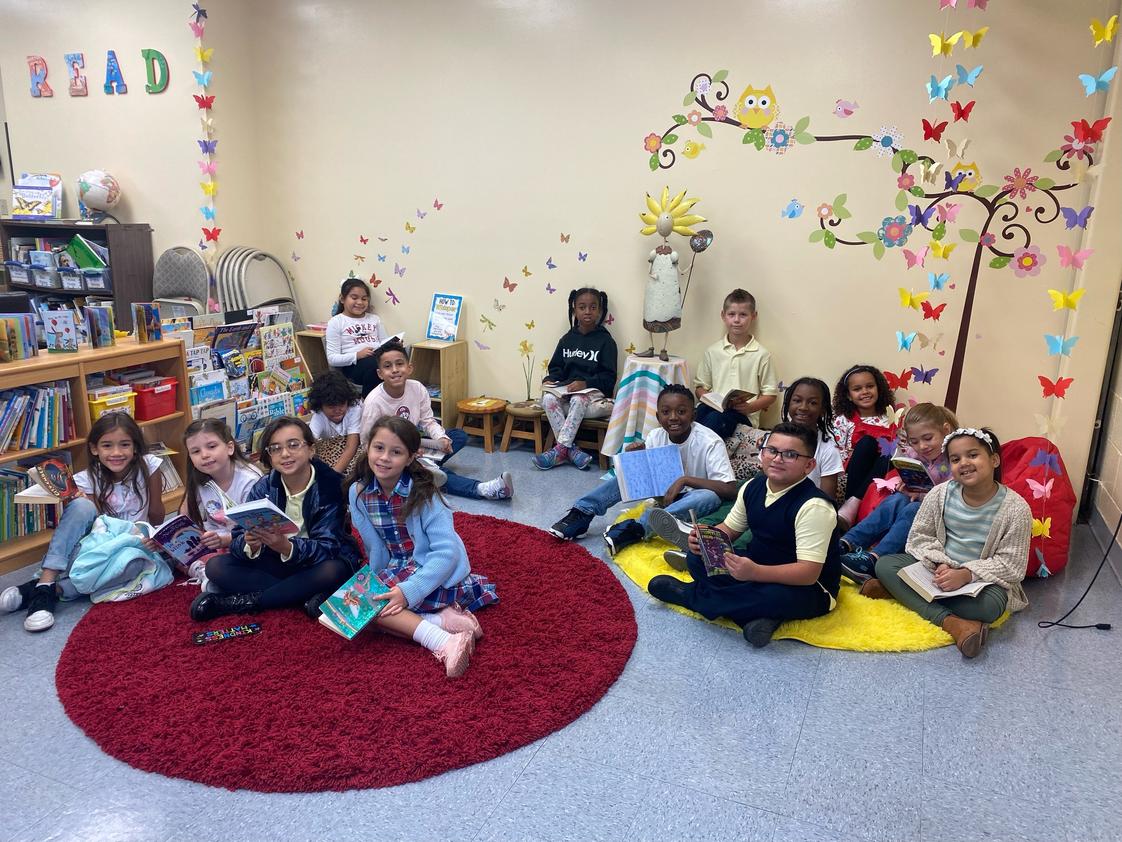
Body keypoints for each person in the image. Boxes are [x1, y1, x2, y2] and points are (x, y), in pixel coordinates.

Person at [647, 423, 842, 649]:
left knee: (773, 597)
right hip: (755, 564)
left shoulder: (814, 506)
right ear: (763, 453)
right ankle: (760, 619)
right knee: (696, 559)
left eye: (790, 455)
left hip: (808, 588)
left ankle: (690, 596)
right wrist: (704, 539)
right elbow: (728, 530)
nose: (778, 459)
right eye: (772, 450)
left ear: (808, 465)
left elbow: (808, 573)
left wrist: (755, 572)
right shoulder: (753, 487)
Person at [860, 428, 1031, 659]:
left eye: (972, 455)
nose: (964, 463)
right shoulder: (940, 494)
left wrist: (966, 574)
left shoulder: (1016, 508)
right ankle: (952, 622)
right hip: (937, 571)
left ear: (994, 459)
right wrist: (941, 564)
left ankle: (900, 592)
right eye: (955, 459)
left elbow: (1012, 564)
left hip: (978, 583)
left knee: (991, 607)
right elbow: (920, 537)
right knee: (885, 565)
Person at [348, 415, 497, 678]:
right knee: (351, 612)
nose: (384, 458)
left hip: (433, 570)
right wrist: (375, 581)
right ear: (367, 447)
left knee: (367, 609)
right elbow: (375, 548)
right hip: (397, 567)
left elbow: (446, 554)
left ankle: (444, 641)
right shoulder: (358, 492)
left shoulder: (424, 493)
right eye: (378, 448)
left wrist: (407, 593)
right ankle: (444, 620)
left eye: (396, 452)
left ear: (410, 457)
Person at [1, 413, 164, 632]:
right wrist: (79, 501)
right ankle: (48, 577)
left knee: (132, 566)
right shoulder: (87, 479)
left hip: (134, 544)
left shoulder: (150, 465)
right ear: (95, 449)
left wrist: (149, 534)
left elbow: (157, 517)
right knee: (81, 508)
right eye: (107, 445)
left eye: (124, 445)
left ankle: (46, 590)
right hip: (99, 543)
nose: (116, 453)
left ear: (135, 447)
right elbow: (99, 531)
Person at [188, 416, 361, 621]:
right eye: (275, 448)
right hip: (279, 562)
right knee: (216, 566)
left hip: (320, 561)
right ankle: (303, 594)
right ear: (269, 456)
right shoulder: (263, 486)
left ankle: (246, 602)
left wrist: (286, 547)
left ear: (311, 450)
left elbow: (328, 547)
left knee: (334, 571)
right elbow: (237, 538)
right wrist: (250, 544)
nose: (285, 454)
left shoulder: (330, 486)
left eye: (294, 445)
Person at [549, 385, 737, 556]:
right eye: (665, 412)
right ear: (657, 417)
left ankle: (637, 528)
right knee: (625, 474)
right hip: (664, 497)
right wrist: (638, 459)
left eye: (681, 411)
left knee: (709, 496)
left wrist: (685, 480)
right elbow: (652, 477)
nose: (673, 417)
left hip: (694, 499)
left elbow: (729, 489)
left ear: (693, 415)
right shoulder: (656, 436)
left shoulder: (710, 441)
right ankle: (582, 513)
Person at [358, 340, 513, 500]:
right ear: (380, 374)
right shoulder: (374, 402)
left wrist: (441, 438)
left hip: (415, 444)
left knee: (457, 436)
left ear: (410, 368)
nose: (395, 370)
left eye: (399, 364)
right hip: (392, 455)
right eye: (388, 366)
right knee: (428, 473)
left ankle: (424, 467)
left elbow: (428, 421)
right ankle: (482, 489)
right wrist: (405, 454)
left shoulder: (417, 388)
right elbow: (366, 443)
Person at [838, 403, 958, 583]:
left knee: (912, 509)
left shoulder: (954, 457)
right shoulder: (916, 454)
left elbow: (953, 494)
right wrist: (906, 481)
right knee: (895, 500)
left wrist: (922, 496)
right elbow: (907, 467)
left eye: (928, 438)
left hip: (942, 513)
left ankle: (874, 559)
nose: (922, 446)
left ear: (945, 430)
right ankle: (846, 542)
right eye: (915, 441)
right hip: (917, 500)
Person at [532, 287, 618, 471]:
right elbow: (556, 369)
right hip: (567, 398)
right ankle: (571, 451)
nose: (587, 311)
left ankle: (561, 450)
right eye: (582, 307)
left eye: (593, 307)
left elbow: (609, 378)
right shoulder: (566, 340)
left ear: (600, 310)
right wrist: (550, 380)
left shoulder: (606, 342)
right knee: (547, 398)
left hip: (595, 401)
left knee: (579, 398)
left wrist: (586, 384)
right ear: (574, 310)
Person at [179, 418, 263, 588]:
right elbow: (184, 517)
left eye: (211, 446)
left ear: (230, 447)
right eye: (195, 451)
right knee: (177, 553)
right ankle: (204, 572)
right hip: (213, 539)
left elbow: (257, 530)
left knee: (238, 563)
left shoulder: (250, 480)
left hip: (244, 541)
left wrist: (224, 540)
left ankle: (210, 574)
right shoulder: (200, 479)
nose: (204, 455)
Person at [694, 289, 778, 436]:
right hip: (715, 407)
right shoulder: (713, 351)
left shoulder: (761, 354)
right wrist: (710, 399)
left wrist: (750, 407)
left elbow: (770, 395)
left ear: (753, 316)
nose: (737, 320)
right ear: (723, 316)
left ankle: (695, 451)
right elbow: (700, 388)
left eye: (743, 315)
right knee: (697, 412)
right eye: (731, 314)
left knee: (716, 419)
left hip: (744, 415)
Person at [831, 364, 899, 527]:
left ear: (878, 388)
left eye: (870, 386)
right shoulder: (844, 419)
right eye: (857, 389)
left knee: (890, 453)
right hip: (851, 475)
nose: (865, 392)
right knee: (868, 443)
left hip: (879, 477)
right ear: (848, 395)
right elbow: (836, 452)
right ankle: (850, 503)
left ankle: (854, 506)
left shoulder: (889, 419)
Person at [782, 377, 844, 502]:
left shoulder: (828, 450)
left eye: (813, 403)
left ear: (823, 410)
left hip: (808, 510)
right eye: (797, 400)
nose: (803, 407)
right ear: (788, 404)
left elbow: (826, 501)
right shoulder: (774, 440)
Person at [325, 278, 387, 397]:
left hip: (378, 358)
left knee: (399, 357)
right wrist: (357, 355)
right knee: (374, 366)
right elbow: (332, 359)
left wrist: (394, 345)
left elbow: (384, 342)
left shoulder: (374, 319)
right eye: (354, 298)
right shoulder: (336, 322)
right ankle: (369, 406)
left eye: (364, 299)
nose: (360, 302)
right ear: (342, 299)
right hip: (354, 367)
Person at [306, 369, 363, 475]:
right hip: (329, 459)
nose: (337, 410)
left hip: (352, 457)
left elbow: (352, 446)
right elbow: (308, 443)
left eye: (341, 404)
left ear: (348, 400)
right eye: (331, 406)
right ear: (321, 406)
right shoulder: (319, 416)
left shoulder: (354, 409)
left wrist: (333, 476)